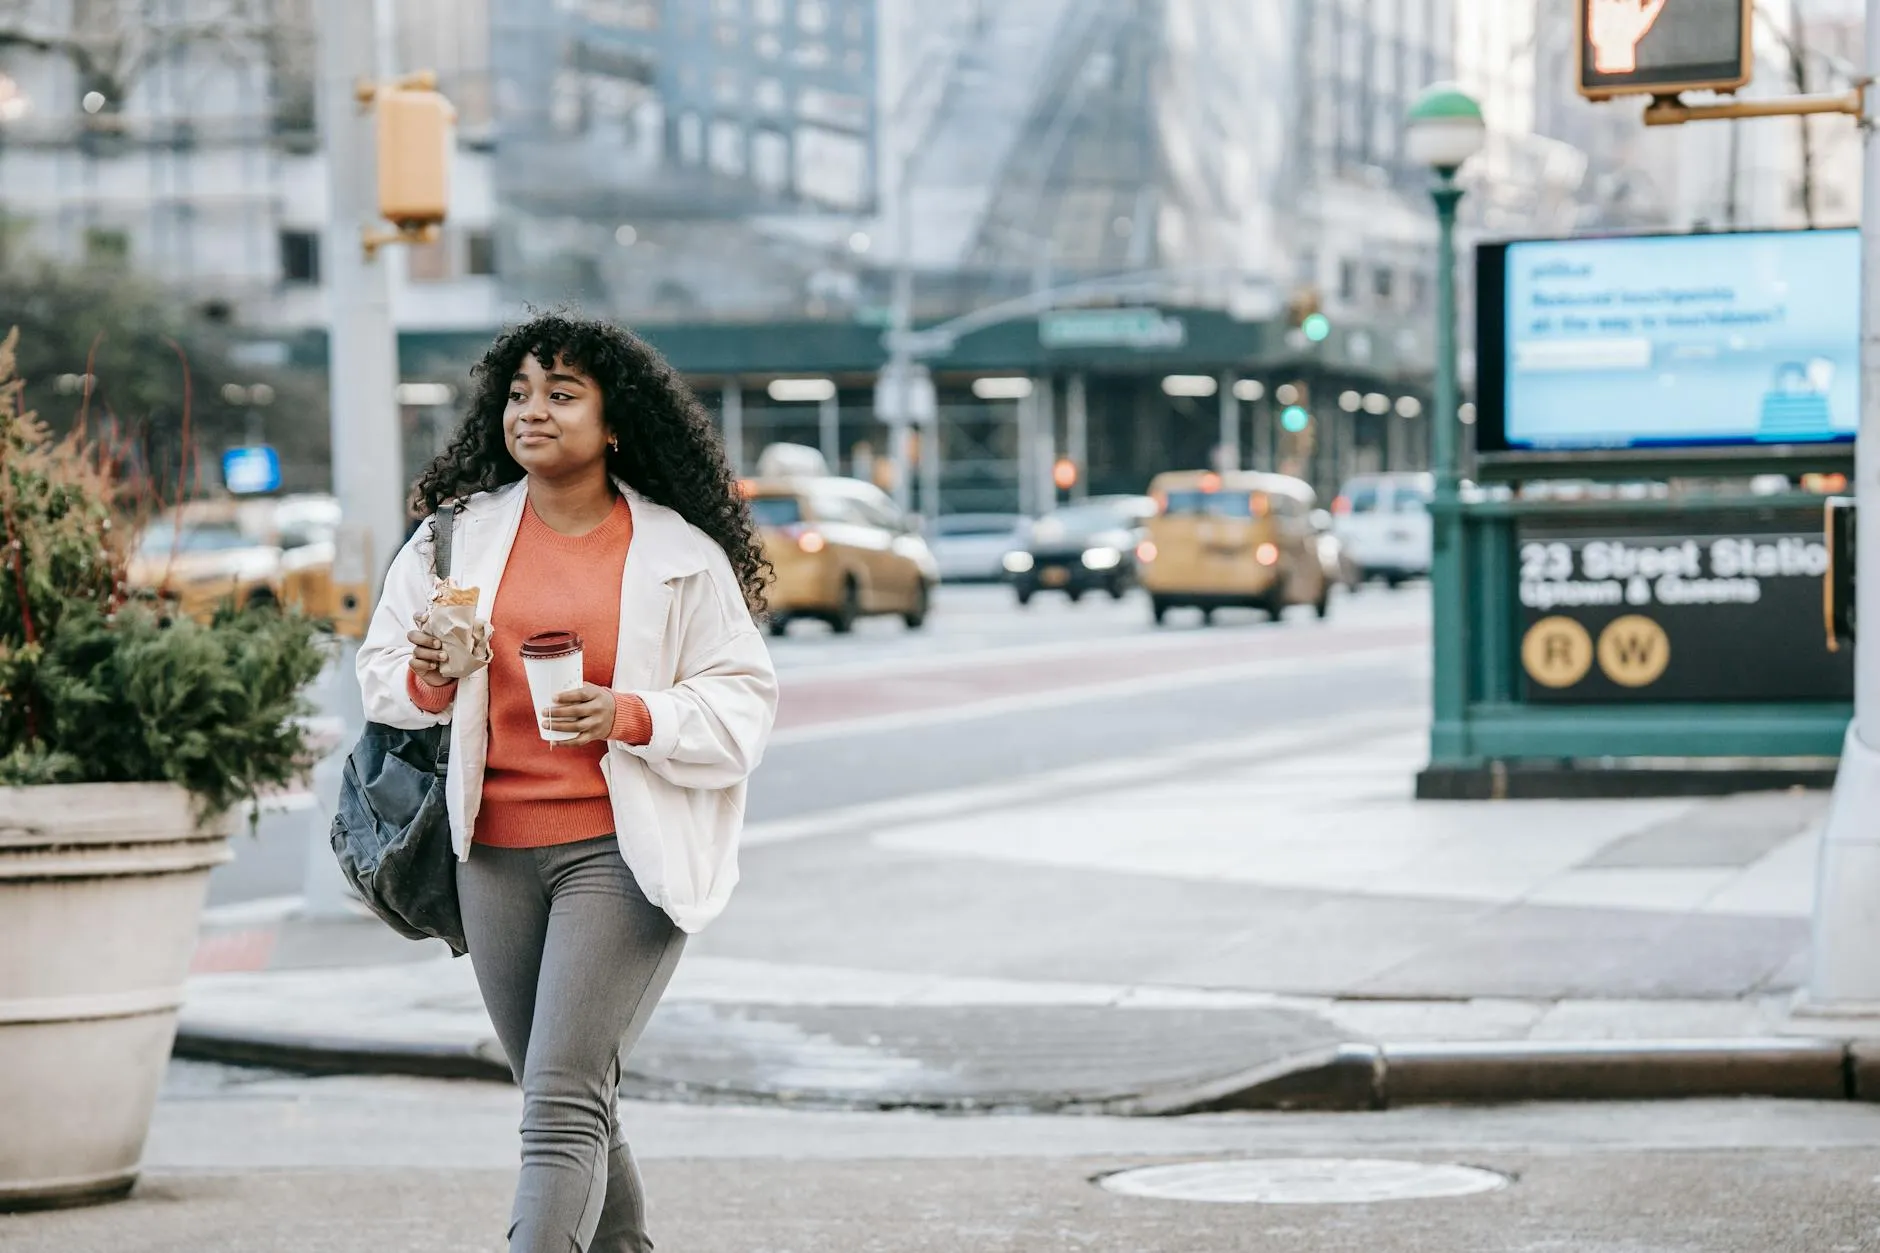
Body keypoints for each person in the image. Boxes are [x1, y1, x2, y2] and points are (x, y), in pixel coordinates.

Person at [358, 315, 778, 1252]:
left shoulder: (678, 554)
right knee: (573, 1095)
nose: (532, 411)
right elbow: (383, 677)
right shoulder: (455, 541)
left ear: (613, 419)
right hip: (492, 854)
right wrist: (433, 670)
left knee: (557, 1105)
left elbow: (745, 705)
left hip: (622, 854)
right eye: (518, 393)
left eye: (561, 392)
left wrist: (630, 713)